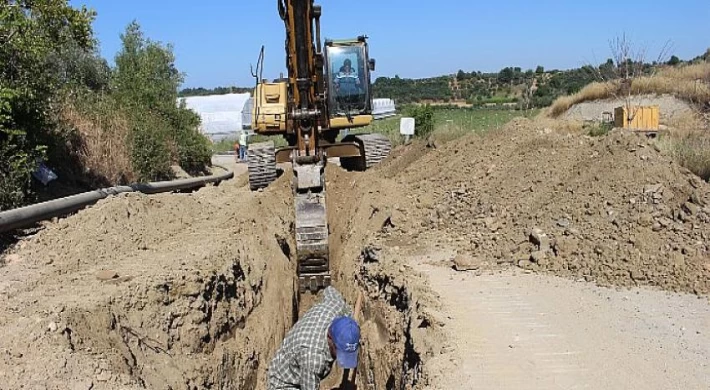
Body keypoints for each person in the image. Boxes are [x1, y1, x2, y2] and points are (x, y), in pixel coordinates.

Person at [267, 286, 360, 390]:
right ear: (329, 337)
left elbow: (330, 290)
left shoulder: (336, 306)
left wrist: (350, 328)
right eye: (340, 352)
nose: (342, 358)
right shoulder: (313, 359)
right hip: (284, 382)